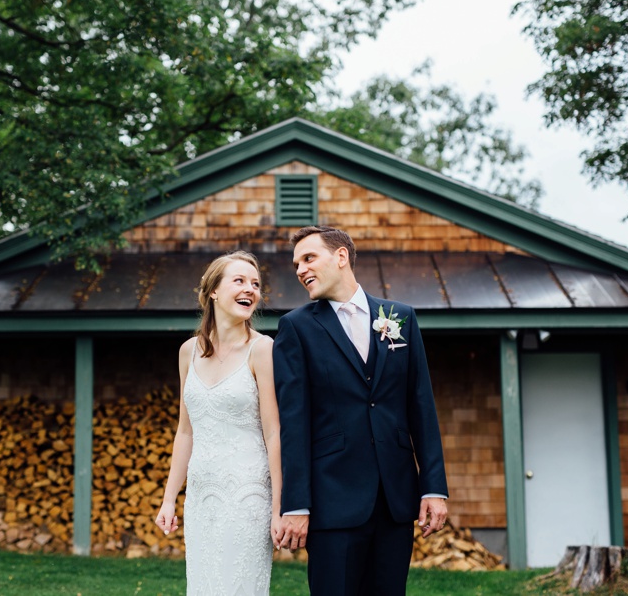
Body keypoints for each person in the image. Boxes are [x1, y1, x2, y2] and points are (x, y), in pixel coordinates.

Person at [272, 226, 448, 595]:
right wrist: (297, 505)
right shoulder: (295, 328)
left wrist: (433, 488)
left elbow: (421, 407)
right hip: (332, 501)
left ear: (341, 257)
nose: (300, 270)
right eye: (296, 264)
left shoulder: (400, 318)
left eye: (308, 258)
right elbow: (294, 423)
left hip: (395, 499)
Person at [155, 251, 282, 595]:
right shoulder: (188, 351)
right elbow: (185, 431)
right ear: (213, 291)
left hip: (248, 496)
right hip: (201, 497)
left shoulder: (263, 350)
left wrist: (279, 507)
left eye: (255, 284)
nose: (250, 289)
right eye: (239, 280)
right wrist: (169, 499)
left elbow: (274, 433)